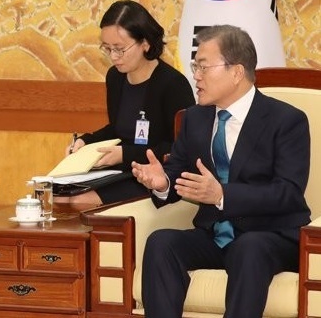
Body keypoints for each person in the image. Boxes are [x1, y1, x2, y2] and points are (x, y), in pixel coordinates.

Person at [131, 25, 310, 318]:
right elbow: (178, 171)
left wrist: (222, 194)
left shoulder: (286, 120)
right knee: (162, 242)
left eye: (203, 67)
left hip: (271, 237)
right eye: (195, 66)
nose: (196, 76)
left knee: (248, 247)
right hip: (215, 236)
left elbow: (288, 192)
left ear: (236, 72)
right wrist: (162, 182)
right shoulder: (195, 118)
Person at [58, 0, 195, 205]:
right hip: (121, 171)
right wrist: (85, 142)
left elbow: (180, 147)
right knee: (59, 197)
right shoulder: (115, 77)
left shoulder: (173, 84)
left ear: (145, 43)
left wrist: (124, 155)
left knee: (79, 202)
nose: (113, 56)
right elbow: (118, 129)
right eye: (107, 48)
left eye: (120, 49)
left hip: (156, 176)